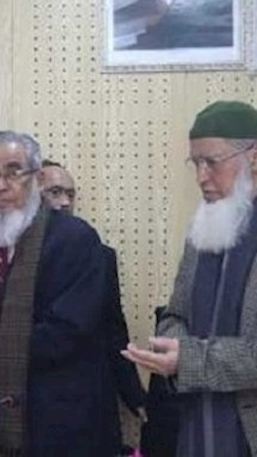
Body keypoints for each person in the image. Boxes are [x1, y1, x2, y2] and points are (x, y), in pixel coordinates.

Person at [0, 131, 109, 456]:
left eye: (14, 172)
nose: (0, 186)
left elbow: (65, 335)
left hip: (52, 418)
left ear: (37, 178)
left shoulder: (75, 240)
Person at [123, 100, 257, 456]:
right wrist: (171, 345)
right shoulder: (205, 229)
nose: (201, 176)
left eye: (211, 162)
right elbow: (174, 315)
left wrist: (188, 359)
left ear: (254, 157)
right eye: (195, 163)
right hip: (196, 428)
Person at [38, 160, 146, 454]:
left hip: (85, 409)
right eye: (55, 192)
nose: (64, 202)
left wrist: (136, 398)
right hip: (27, 409)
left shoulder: (99, 255)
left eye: (71, 194)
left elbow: (113, 330)